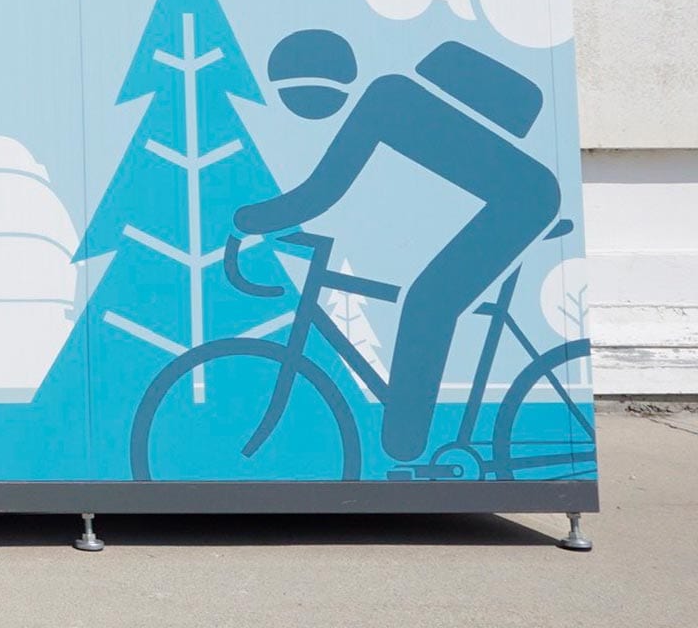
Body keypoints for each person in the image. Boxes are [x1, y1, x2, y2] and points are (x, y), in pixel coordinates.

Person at [235, 30, 560, 463]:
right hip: (521, 195)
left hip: (525, 201)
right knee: (429, 297)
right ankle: (407, 444)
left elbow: (322, 191)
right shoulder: (397, 96)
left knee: (429, 300)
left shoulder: (389, 99)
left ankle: (406, 449)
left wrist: (243, 222)